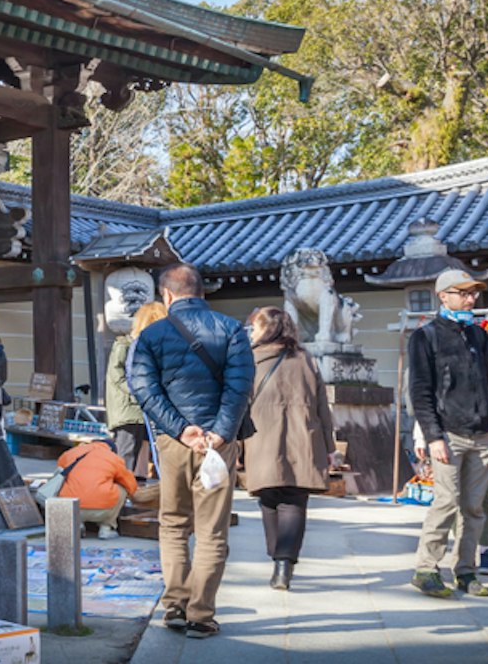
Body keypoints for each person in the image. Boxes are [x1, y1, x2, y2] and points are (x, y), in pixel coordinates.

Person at [128, 263, 253, 640]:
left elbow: (144, 389)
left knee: (174, 524)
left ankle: (175, 606)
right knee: (213, 530)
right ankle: (201, 614)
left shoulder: (152, 334)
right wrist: (219, 433)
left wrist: (181, 430)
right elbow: (240, 386)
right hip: (219, 443)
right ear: (202, 292)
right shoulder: (232, 329)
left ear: (166, 295)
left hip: (174, 442)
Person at [407, 269, 488, 599]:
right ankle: (426, 568)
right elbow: (419, 391)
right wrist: (432, 435)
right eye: (463, 292)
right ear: (443, 295)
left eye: (473, 293)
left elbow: (487, 383)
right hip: (448, 433)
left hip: (483, 432)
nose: (471, 298)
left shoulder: (479, 335)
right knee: (445, 501)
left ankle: (466, 569)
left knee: (475, 507)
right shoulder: (425, 336)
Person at [240, 306, 336, 590]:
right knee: (294, 500)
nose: (252, 333)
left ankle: (277, 558)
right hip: (303, 438)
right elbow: (322, 406)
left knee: (268, 498)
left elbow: (240, 403)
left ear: (266, 329)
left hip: (260, 439)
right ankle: (284, 564)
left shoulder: (250, 361)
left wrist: (234, 445)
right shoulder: (305, 360)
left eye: (254, 327)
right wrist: (329, 446)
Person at [107, 301, 167, 476]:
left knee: (140, 453)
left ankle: (136, 489)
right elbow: (117, 377)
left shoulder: (141, 346)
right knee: (127, 454)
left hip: (140, 408)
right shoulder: (124, 345)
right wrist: (141, 393)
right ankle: (120, 495)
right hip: (128, 409)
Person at [48, 439, 139, 540]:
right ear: (111, 449)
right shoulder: (114, 458)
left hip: (71, 508)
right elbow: (131, 485)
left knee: (66, 482)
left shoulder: (71, 453)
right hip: (102, 510)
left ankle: (76, 524)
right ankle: (106, 528)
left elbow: (59, 471)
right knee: (122, 488)